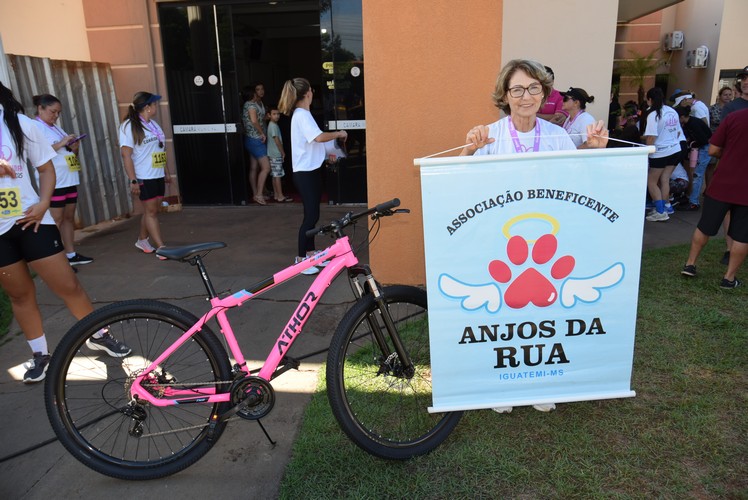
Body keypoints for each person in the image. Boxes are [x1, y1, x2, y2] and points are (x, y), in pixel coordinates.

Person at [460, 59, 608, 413]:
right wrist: (468, 149)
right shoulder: (490, 135)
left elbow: (580, 186)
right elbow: (460, 183)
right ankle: (503, 388)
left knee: (545, 312)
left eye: (533, 88)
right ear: (505, 95)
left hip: (550, 241)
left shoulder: (558, 137)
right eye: (517, 89)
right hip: (502, 241)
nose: (525, 96)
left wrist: (596, 154)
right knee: (504, 316)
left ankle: (539, 382)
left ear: (543, 94)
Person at [0, 82, 130, 383]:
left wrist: (44, 202)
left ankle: (98, 333)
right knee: (19, 294)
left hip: (31, 219)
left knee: (68, 285)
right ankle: (40, 355)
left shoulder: (18, 124)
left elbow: (46, 169)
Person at [278, 78, 347, 275]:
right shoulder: (301, 115)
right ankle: (301, 260)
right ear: (308, 93)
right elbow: (318, 137)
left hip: (310, 171)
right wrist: (339, 133)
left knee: (313, 216)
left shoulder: (303, 115)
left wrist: (328, 155)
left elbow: (313, 143)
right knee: (310, 217)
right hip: (305, 173)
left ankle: (310, 254)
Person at [681, 108, 748, 289]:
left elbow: (713, 149)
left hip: (722, 184)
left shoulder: (734, 117)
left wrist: (729, 155)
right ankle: (729, 278)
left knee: (705, 226)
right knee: (743, 236)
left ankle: (690, 264)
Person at [32, 94, 94, 268]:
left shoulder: (56, 128)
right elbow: (39, 154)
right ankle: (56, 261)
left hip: (69, 179)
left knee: (68, 218)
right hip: (55, 182)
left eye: (58, 113)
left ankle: (71, 254)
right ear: (40, 108)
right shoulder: (36, 127)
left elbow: (69, 155)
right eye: (52, 112)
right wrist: (61, 143)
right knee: (55, 221)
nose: (55, 116)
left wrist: (74, 148)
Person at [119, 91, 171, 258]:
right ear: (147, 107)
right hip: (143, 175)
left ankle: (142, 239)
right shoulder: (129, 126)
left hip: (157, 174)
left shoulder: (154, 125)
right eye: (154, 104)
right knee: (151, 212)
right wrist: (133, 180)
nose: (156, 107)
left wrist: (166, 171)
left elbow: (161, 149)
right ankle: (161, 247)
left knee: (153, 210)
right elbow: (126, 155)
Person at [641, 87, 683, 222]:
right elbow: (677, 132)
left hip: (660, 152)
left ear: (650, 99)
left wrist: (646, 153)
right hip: (675, 149)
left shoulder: (653, 114)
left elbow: (651, 137)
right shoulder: (672, 111)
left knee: (651, 181)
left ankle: (660, 212)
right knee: (665, 179)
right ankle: (665, 207)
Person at [675, 106, 711, 211]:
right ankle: (692, 198)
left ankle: (694, 201)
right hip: (703, 148)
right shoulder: (690, 122)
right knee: (696, 174)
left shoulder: (693, 124)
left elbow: (703, 140)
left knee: (697, 175)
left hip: (704, 149)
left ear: (681, 117)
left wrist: (691, 143)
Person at [241, 83, 271, 205]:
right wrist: (262, 133)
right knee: (266, 167)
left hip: (250, 139)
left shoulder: (247, 105)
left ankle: (255, 193)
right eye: (255, 90)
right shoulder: (251, 105)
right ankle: (259, 194)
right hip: (256, 139)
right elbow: (254, 121)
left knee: (254, 167)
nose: (258, 92)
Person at [267, 107, 292, 203]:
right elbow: (277, 141)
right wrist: (282, 152)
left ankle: (277, 195)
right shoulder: (273, 126)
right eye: (274, 114)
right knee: (278, 175)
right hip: (276, 154)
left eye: (278, 114)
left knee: (274, 175)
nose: (277, 116)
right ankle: (280, 196)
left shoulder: (272, 125)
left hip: (272, 153)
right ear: (269, 115)